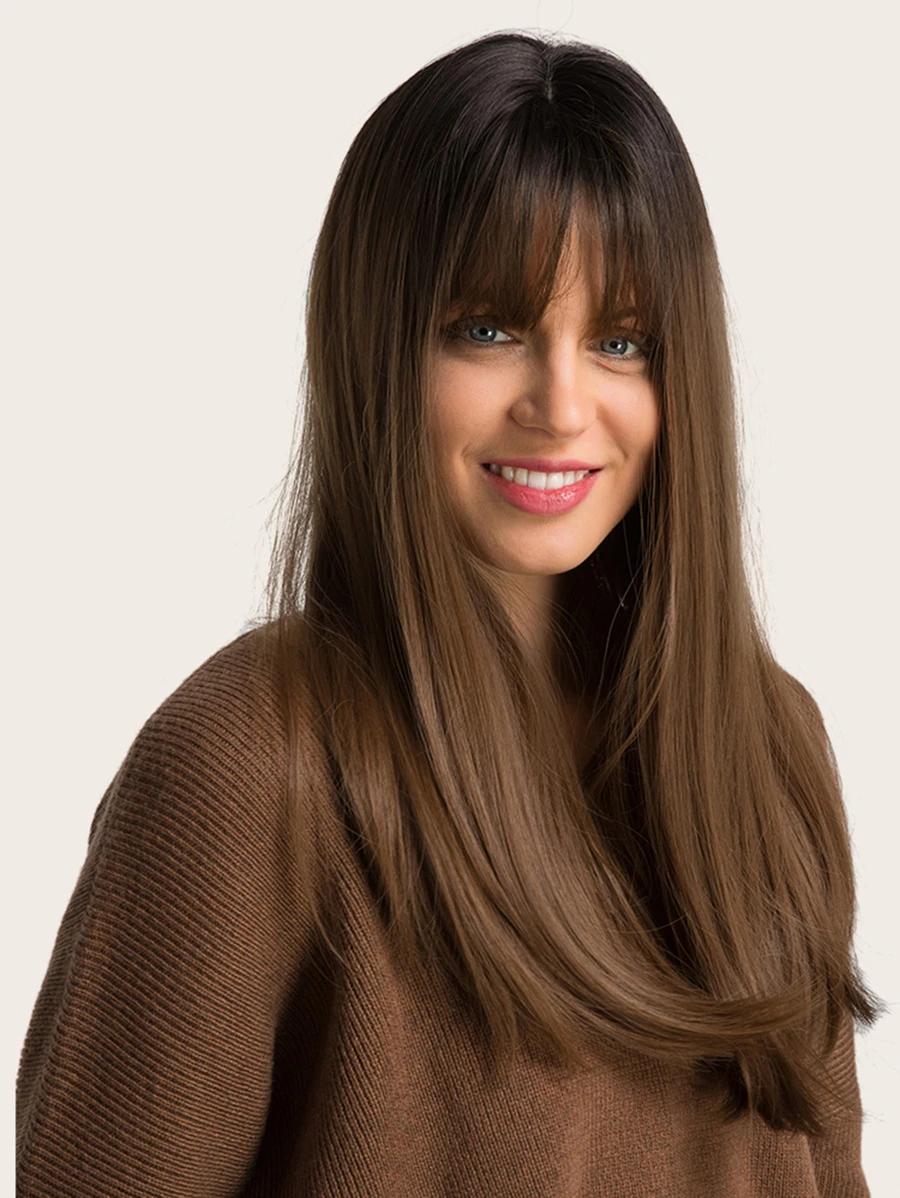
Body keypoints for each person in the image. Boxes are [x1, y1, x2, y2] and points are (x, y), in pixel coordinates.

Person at [16, 30, 879, 1197]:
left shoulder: (768, 747)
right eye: (489, 328)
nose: (562, 404)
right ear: (378, 344)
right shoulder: (245, 769)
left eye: (621, 341)